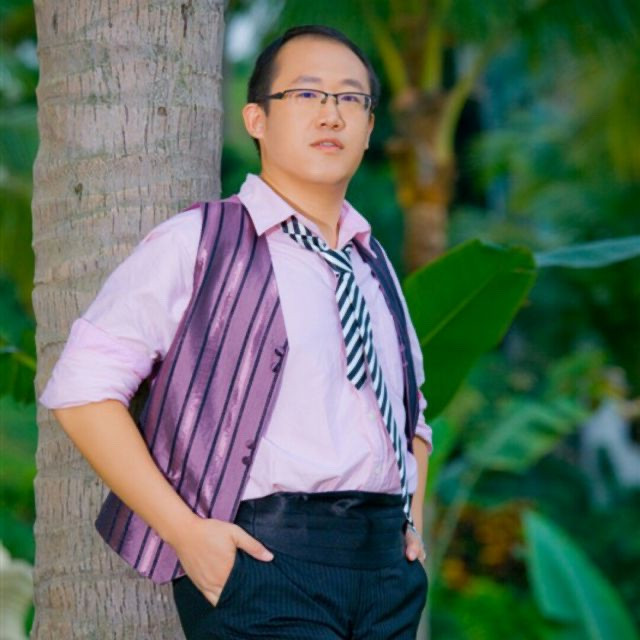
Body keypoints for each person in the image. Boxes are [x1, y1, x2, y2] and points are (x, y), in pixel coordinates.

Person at [40, 24, 433, 639]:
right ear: (257, 119)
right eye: (307, 94)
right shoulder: (198, 242)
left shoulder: (373, 264)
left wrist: (412, 524)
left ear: (368, 127)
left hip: (386, 572)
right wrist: (186, 534)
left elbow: (413, 418)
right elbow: (83, 390)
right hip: (262, 562)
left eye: (350, 98)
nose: (331, 113)